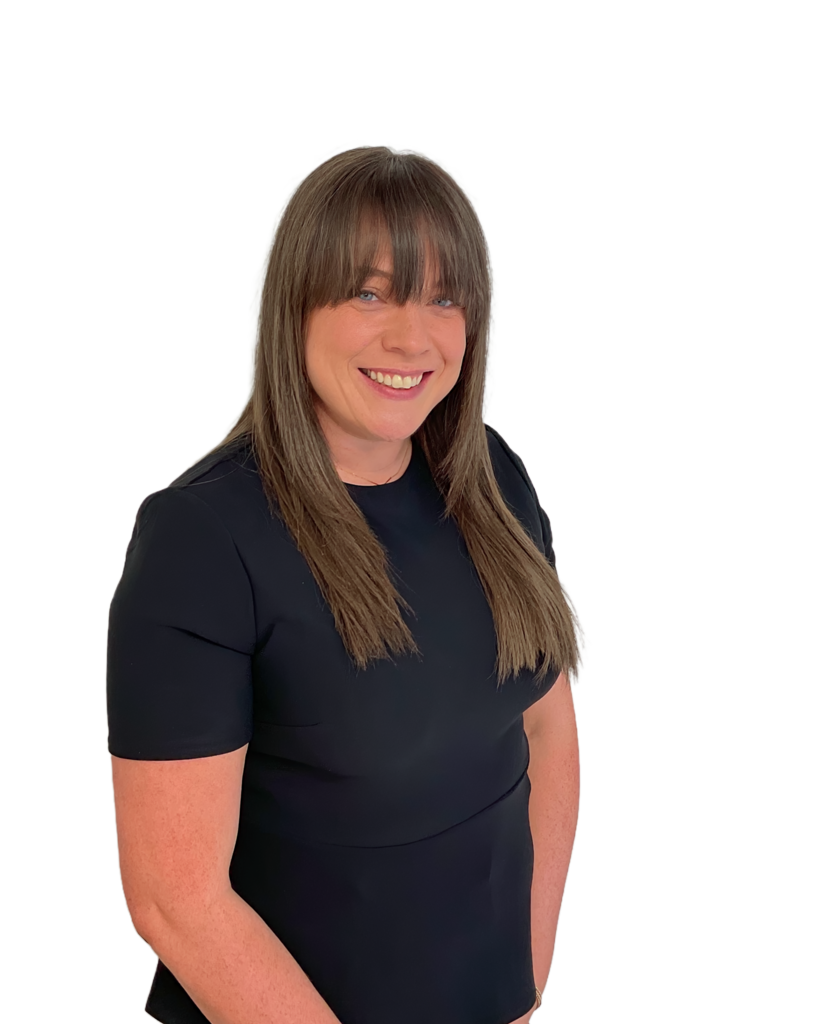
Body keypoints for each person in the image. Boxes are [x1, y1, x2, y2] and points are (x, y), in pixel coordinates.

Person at [106, 144, 585, 1024]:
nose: (413, 337)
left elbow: (547, 731)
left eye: (444, 297)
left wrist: (523, 983)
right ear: (295, 306)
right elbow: (177, 902)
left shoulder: (491, 478)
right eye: (370, 292)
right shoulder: (201, 541)